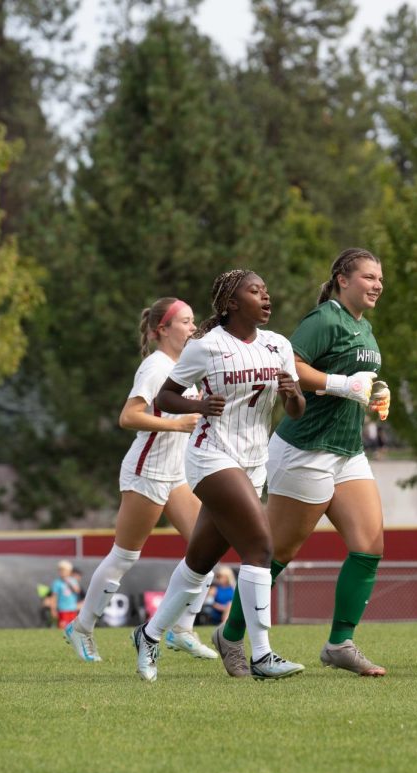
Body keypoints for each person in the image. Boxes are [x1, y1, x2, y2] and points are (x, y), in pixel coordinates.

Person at [213, 248, 392, 677]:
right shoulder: (324, 320)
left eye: (380, 279)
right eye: (368, 277)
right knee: (277, 553)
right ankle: (230, 634)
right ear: (342, 279)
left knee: (369, 547)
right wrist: (341, 384)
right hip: (306, 451)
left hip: (347, 452)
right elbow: (287, 365)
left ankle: (339, 643)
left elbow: (354, 383)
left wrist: (375, 393)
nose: (377, 285)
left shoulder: (362, 328)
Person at [134, 269, 307, 682]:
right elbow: (166, 397)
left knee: (200, 563)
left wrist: (292, 395)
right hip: (210, 457)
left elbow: (298, 410)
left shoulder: (277, 345)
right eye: (254, 291)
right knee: (261, 548)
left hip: (253, 462)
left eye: (266, 289)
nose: (266, 296)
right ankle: (262, 655)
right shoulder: (206, 347)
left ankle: (149, 633)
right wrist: (198, 407)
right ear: (231, 303)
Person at [64, 297, 217, 662]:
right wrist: (175, 423)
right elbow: (128, 417)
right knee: (125, 556)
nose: (192, 327)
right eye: (184, 321)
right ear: (161, 330)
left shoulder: (185, 366)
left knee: (207, 549)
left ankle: (182, 629)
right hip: (146, 472)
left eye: (193, 320)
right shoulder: (156, 366)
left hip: (176, 474)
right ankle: (81, 628)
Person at [49, 560, 82, 628]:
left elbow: (77, 591)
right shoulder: (57, 583)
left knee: (73, 627)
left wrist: (69, 582)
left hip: (73, 608)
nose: (62, 572)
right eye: (60, 570)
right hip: (63, 609)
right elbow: (54, 597)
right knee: (63, 626)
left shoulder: (73, 580)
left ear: (69, 571)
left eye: (64, 570)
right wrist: (53, 609)